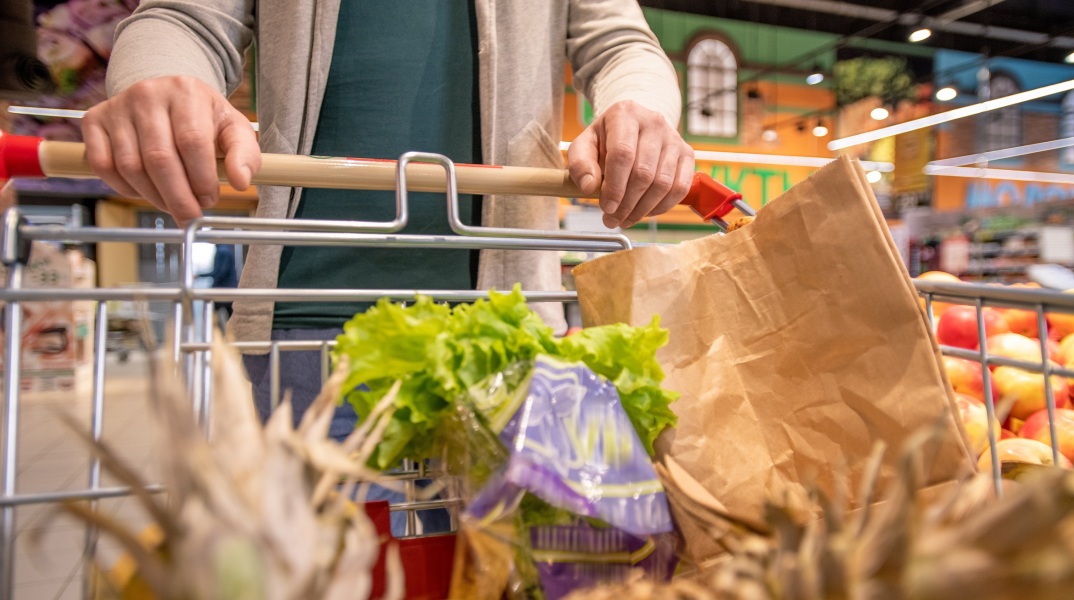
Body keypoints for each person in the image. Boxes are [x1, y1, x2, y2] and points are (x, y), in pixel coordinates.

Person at [86, 2, 692, 452]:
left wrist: (640, 108)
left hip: (509, 322)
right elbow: (184, 18)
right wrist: (153, 81)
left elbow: (623, 45)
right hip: (306, 320)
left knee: (500, 574)